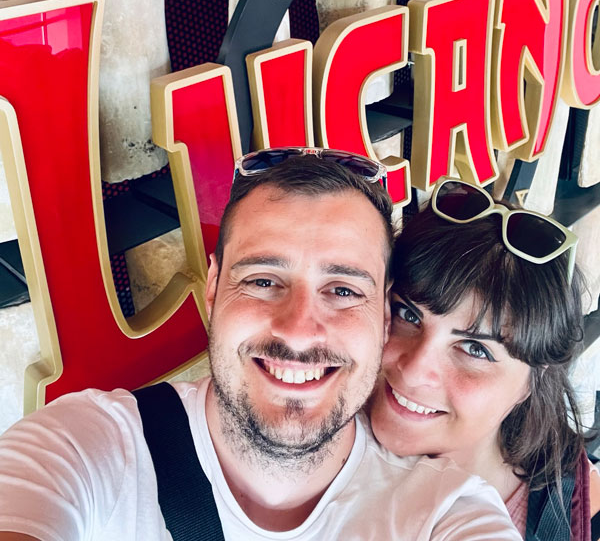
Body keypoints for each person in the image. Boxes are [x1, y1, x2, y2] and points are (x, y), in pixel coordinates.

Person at [0, 150, 521, 540]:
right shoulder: (83, 446)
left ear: (383, 317)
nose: (298, 330)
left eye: (343, 290)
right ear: (212, 289)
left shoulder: (445, 512)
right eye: (263, 280)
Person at [369, 176, 598, 540]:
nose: (413, 371)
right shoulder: (311, 440)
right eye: (407, 315)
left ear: (531, 381)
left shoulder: (578, 503)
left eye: (475, 349)